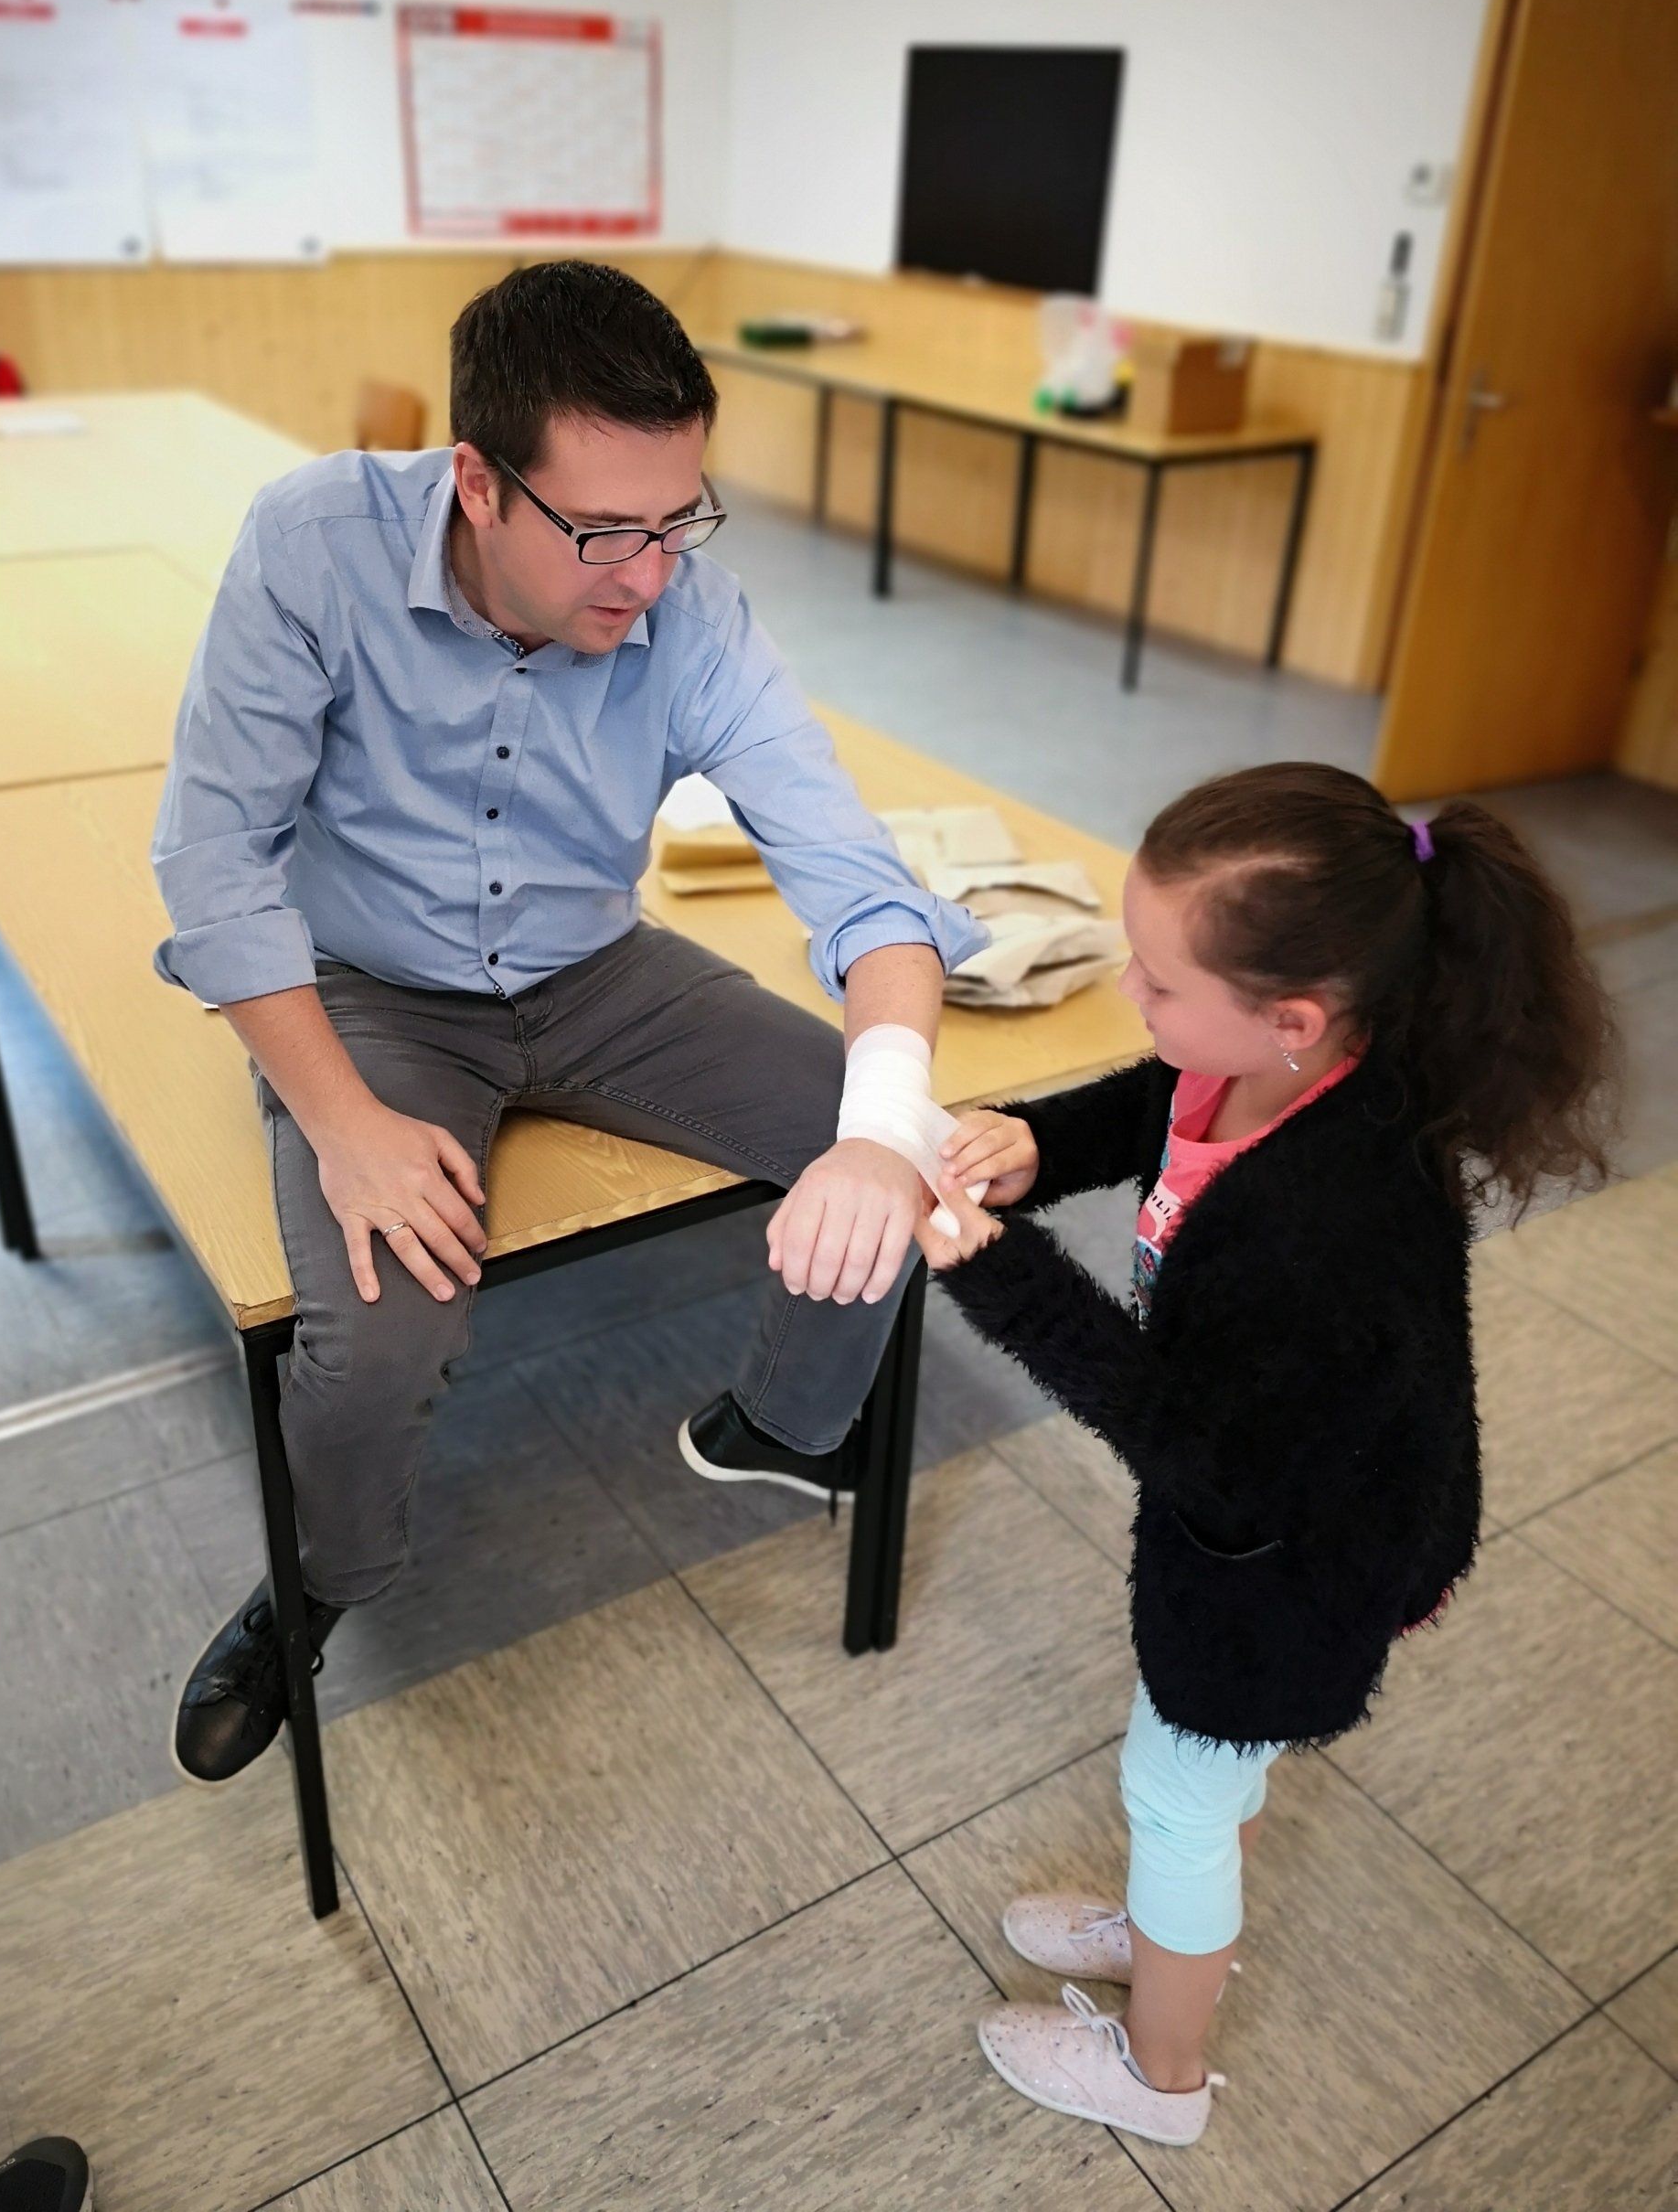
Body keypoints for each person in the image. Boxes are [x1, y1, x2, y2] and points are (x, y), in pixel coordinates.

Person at [152, 260, 984, 1785]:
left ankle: (784, 1424)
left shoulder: (690, 606)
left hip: (597, 973)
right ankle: (322, 1581)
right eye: (604, 532)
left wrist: (878, 1135)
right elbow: (213, 861)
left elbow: (866, 891)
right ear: (478, 481)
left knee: (904, 1138)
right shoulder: (316, 544)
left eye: (680, 522)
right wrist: (343, 1121)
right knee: (381, 1336)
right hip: (374, 990)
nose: (648, 576)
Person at [916, 762, 1615, 2148]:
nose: (1134, 993)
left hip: (1287, 1566)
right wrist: (1036, 1144)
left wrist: (1000, 1274)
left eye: (1161, 979)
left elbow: (1205, 1451)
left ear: (1291, 1017)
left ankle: (1161, 2075)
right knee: (1210, 1774)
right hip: (1297, 1519)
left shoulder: (1328, 1224)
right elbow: (1159, 1099)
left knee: (1178, 1790)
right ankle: (1167, 1926)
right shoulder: (1278, 1063)